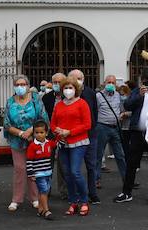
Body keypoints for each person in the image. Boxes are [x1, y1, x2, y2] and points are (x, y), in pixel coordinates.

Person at [3, 75, 48, 212]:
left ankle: (35, 198)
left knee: (34, 169)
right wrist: (21, 133)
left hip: (33, 140)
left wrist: (30, 131)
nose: (20, 87)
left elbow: (43, 118)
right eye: (17, 84)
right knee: (20, 169)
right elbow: (6, 123)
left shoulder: (36, 100)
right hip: (17, 141)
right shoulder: (10, 101)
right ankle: (16, 199)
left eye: (23, 84)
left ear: (28, 86)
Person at [49, 76, 92, 215]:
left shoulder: (82, 103)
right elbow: (53, 123)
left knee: (75, 172)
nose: (68, 90)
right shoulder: (59, 105)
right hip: (62, 142)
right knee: (67, 174)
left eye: (70, 88)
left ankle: (84, 201)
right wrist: (58, 131)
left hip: (78, 142)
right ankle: (73, 201)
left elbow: (87, 124)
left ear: (76, 89)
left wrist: (70, 132)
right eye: (65, 88)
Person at [116, 72, 148, 204]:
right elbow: (127, 105)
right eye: (145, 80)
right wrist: (139, 95)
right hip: (137, 132)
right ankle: (127, 192)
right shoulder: (137, 91)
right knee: (131, 163)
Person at [68, 69, 102, 202]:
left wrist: (92, 127)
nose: (77, 81)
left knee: (91, 165)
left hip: (90, 134)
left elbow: (95, 112)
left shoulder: (90, 92)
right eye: (74, 78)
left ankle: (92, 193)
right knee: (74, 168)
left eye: (79, 78)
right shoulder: (68, 94)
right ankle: (75, 194)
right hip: (74, 135)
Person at [94, 73, 129, 188]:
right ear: (104, 83)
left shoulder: (118, 95)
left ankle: (127, 179)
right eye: (108, 82)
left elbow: (122, 109)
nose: (110, 84)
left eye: (113, 83)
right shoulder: (98, 96)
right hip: (102, 128)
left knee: (120, 155)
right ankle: (96, 179)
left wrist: (122, 114)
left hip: (115, 128)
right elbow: (95, 111)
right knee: (99, 154)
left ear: (115, 84)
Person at [25, 120, 57, 220]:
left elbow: (56, 144)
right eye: (36, 133)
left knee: (43, 191)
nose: (39, 135)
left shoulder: (49, 144)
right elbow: (29, 161)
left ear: (46, 133)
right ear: (33, 133)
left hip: (48, 172)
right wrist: (30, 173)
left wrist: (61, 138)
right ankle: (46, 210)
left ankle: (40, 209)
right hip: (38, 173)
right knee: (44, 191)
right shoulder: (32, 146)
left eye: (41, 132)